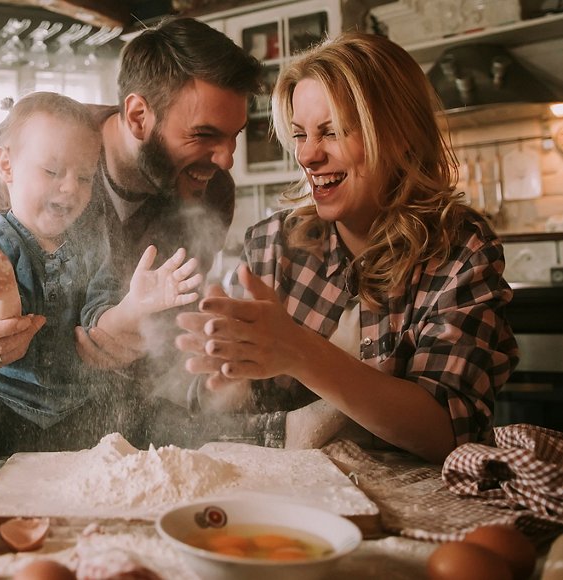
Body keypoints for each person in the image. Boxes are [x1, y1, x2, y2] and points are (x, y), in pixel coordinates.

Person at [0, 18, 266, 442]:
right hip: (11, 401)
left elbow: (167, 326)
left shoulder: (212, 191)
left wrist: (139, 335)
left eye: (234, 136)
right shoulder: (47, 149)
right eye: (204, 135)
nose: (226, 159)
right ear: (137, 115)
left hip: (99, 408)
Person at [0, 92, 205, 541]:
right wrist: (3, 296)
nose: (70, 188)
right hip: (0, 408)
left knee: (148, 408)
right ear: (6, 167)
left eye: (85, 177)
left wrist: (134, 308)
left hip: (77, 413)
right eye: (52, 171)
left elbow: (98, 325)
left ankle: (264, 431)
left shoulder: (93, 244)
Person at [175, 32, 520, 465]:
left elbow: (449, 432)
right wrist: (223, 377)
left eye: (332, 131)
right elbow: (214, 421)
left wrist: (298, 350)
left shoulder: (460, 250)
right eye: (300, 134)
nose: (308, 155)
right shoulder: (274, 245)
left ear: (400, 135)